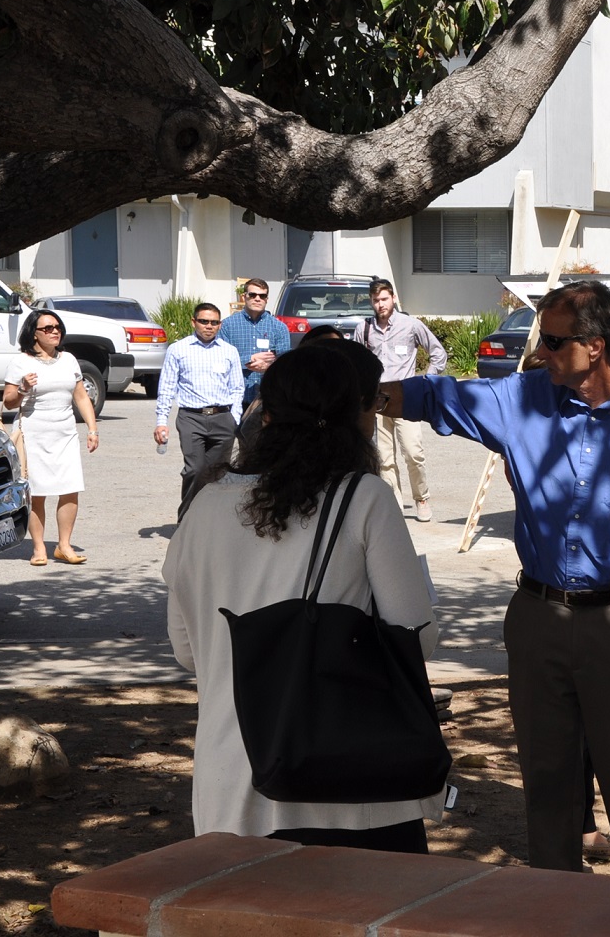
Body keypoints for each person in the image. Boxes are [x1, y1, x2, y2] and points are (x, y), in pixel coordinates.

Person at [378, 279, 610, 883]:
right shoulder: (522, 398)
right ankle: (556, 904)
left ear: (595, 346)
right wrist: (360, 392)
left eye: (551, 340)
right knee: (548, 778)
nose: (539, 352)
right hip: (538, 617)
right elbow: (437, 397)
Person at [164, 344, 441, 851]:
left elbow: (188, 652)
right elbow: (414, 639)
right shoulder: (364, 498)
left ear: (264, 417)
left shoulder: (203, 506)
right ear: (355, 419)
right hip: (352, 787)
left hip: (234, 780)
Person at [2, 310, 98, 566]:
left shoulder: (68, 359)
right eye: (47, 328)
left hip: (64, 432)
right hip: (34, 433)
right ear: (34, 333)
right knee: (37, 492)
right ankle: (38, 548)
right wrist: (22, 388)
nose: (55, 331)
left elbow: (80, 396)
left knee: (70, 489)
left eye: (57, 327)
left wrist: (92, 428)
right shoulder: (21, 362)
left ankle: (64, 546)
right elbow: (8, 401)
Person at [360, 279, 447, 522]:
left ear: (394, 298)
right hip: (376, 403)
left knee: (413, 453)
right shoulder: (364, 329)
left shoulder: (410, 325)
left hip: (406, 399)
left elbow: (438, 353)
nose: (380, 305)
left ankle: (421, 498)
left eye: (384, 299)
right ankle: (394, 503)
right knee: (384, 458)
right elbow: (355, 362)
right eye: (376, 300)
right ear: (371, 302)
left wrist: (426, 380)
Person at [155, 303, 243, 520]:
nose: (209, 326)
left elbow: (237, 388)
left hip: (223, 418)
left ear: (220, 325)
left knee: (217, 473)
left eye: (214, 322)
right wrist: (161, 421)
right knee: (194, 469)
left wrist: (235, 418)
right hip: (191, 417)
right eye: (204, 321)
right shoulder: (178, 349)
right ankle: (187, 520)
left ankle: (212, 521)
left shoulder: (229, 351)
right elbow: (166, 388)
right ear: (194, 322)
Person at [218, 277, 291, 408]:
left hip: (267, 397)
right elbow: (220, 361)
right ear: (243, 297)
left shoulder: (279, 327)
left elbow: (286, 365)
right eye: (252, 295)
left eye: (262, 296)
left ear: (266, 300)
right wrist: (249, 360)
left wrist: (268, 367)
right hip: (235, 397)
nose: (257, 299)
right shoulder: (227, 325)